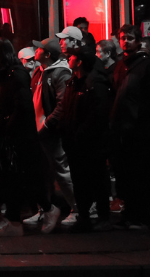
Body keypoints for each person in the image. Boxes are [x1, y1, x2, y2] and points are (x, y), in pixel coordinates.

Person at [0, 39, 57, 236]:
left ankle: (48, 209)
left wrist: (7, 127)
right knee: (10, 180)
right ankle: (15, 221)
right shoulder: (2, 75)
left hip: (18, 138)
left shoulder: (16, 75)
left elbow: (22, 107)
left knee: (24, 179)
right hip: (7, 136)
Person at [48, 50, 112, 232]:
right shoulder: (73, 82)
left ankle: (103, 216)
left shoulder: (94, 84)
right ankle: (84, 216)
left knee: (96, 179)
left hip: (90, 142)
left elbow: (97, 114)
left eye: (73, 57)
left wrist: (81, 132)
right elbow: (67, 108)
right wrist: (64, 128)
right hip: (74, 141)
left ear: (81, 61)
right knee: (79, 181)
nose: (69, 59)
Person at [109, 27, 150, 229]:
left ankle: (141, 215)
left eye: (129, 38)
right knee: (126, 174)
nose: (125, 41)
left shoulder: (147, 65)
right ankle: (130, 213)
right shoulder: (120, 65)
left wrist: (144, 124)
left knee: (140, 173)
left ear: (138, 41)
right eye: (122, 38)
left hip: (139, 128)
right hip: (123, 128)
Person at [32, 37, 75, 222]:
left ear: (48, 54)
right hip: (39, 131)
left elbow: (62, 104)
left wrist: (48, 124)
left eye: (39, 49)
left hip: (51, 132)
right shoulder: (40, 71)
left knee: (62, 171)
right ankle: (45, 209)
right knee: (43, 173)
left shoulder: (60, 73)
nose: (35, 51)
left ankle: (77, 209)